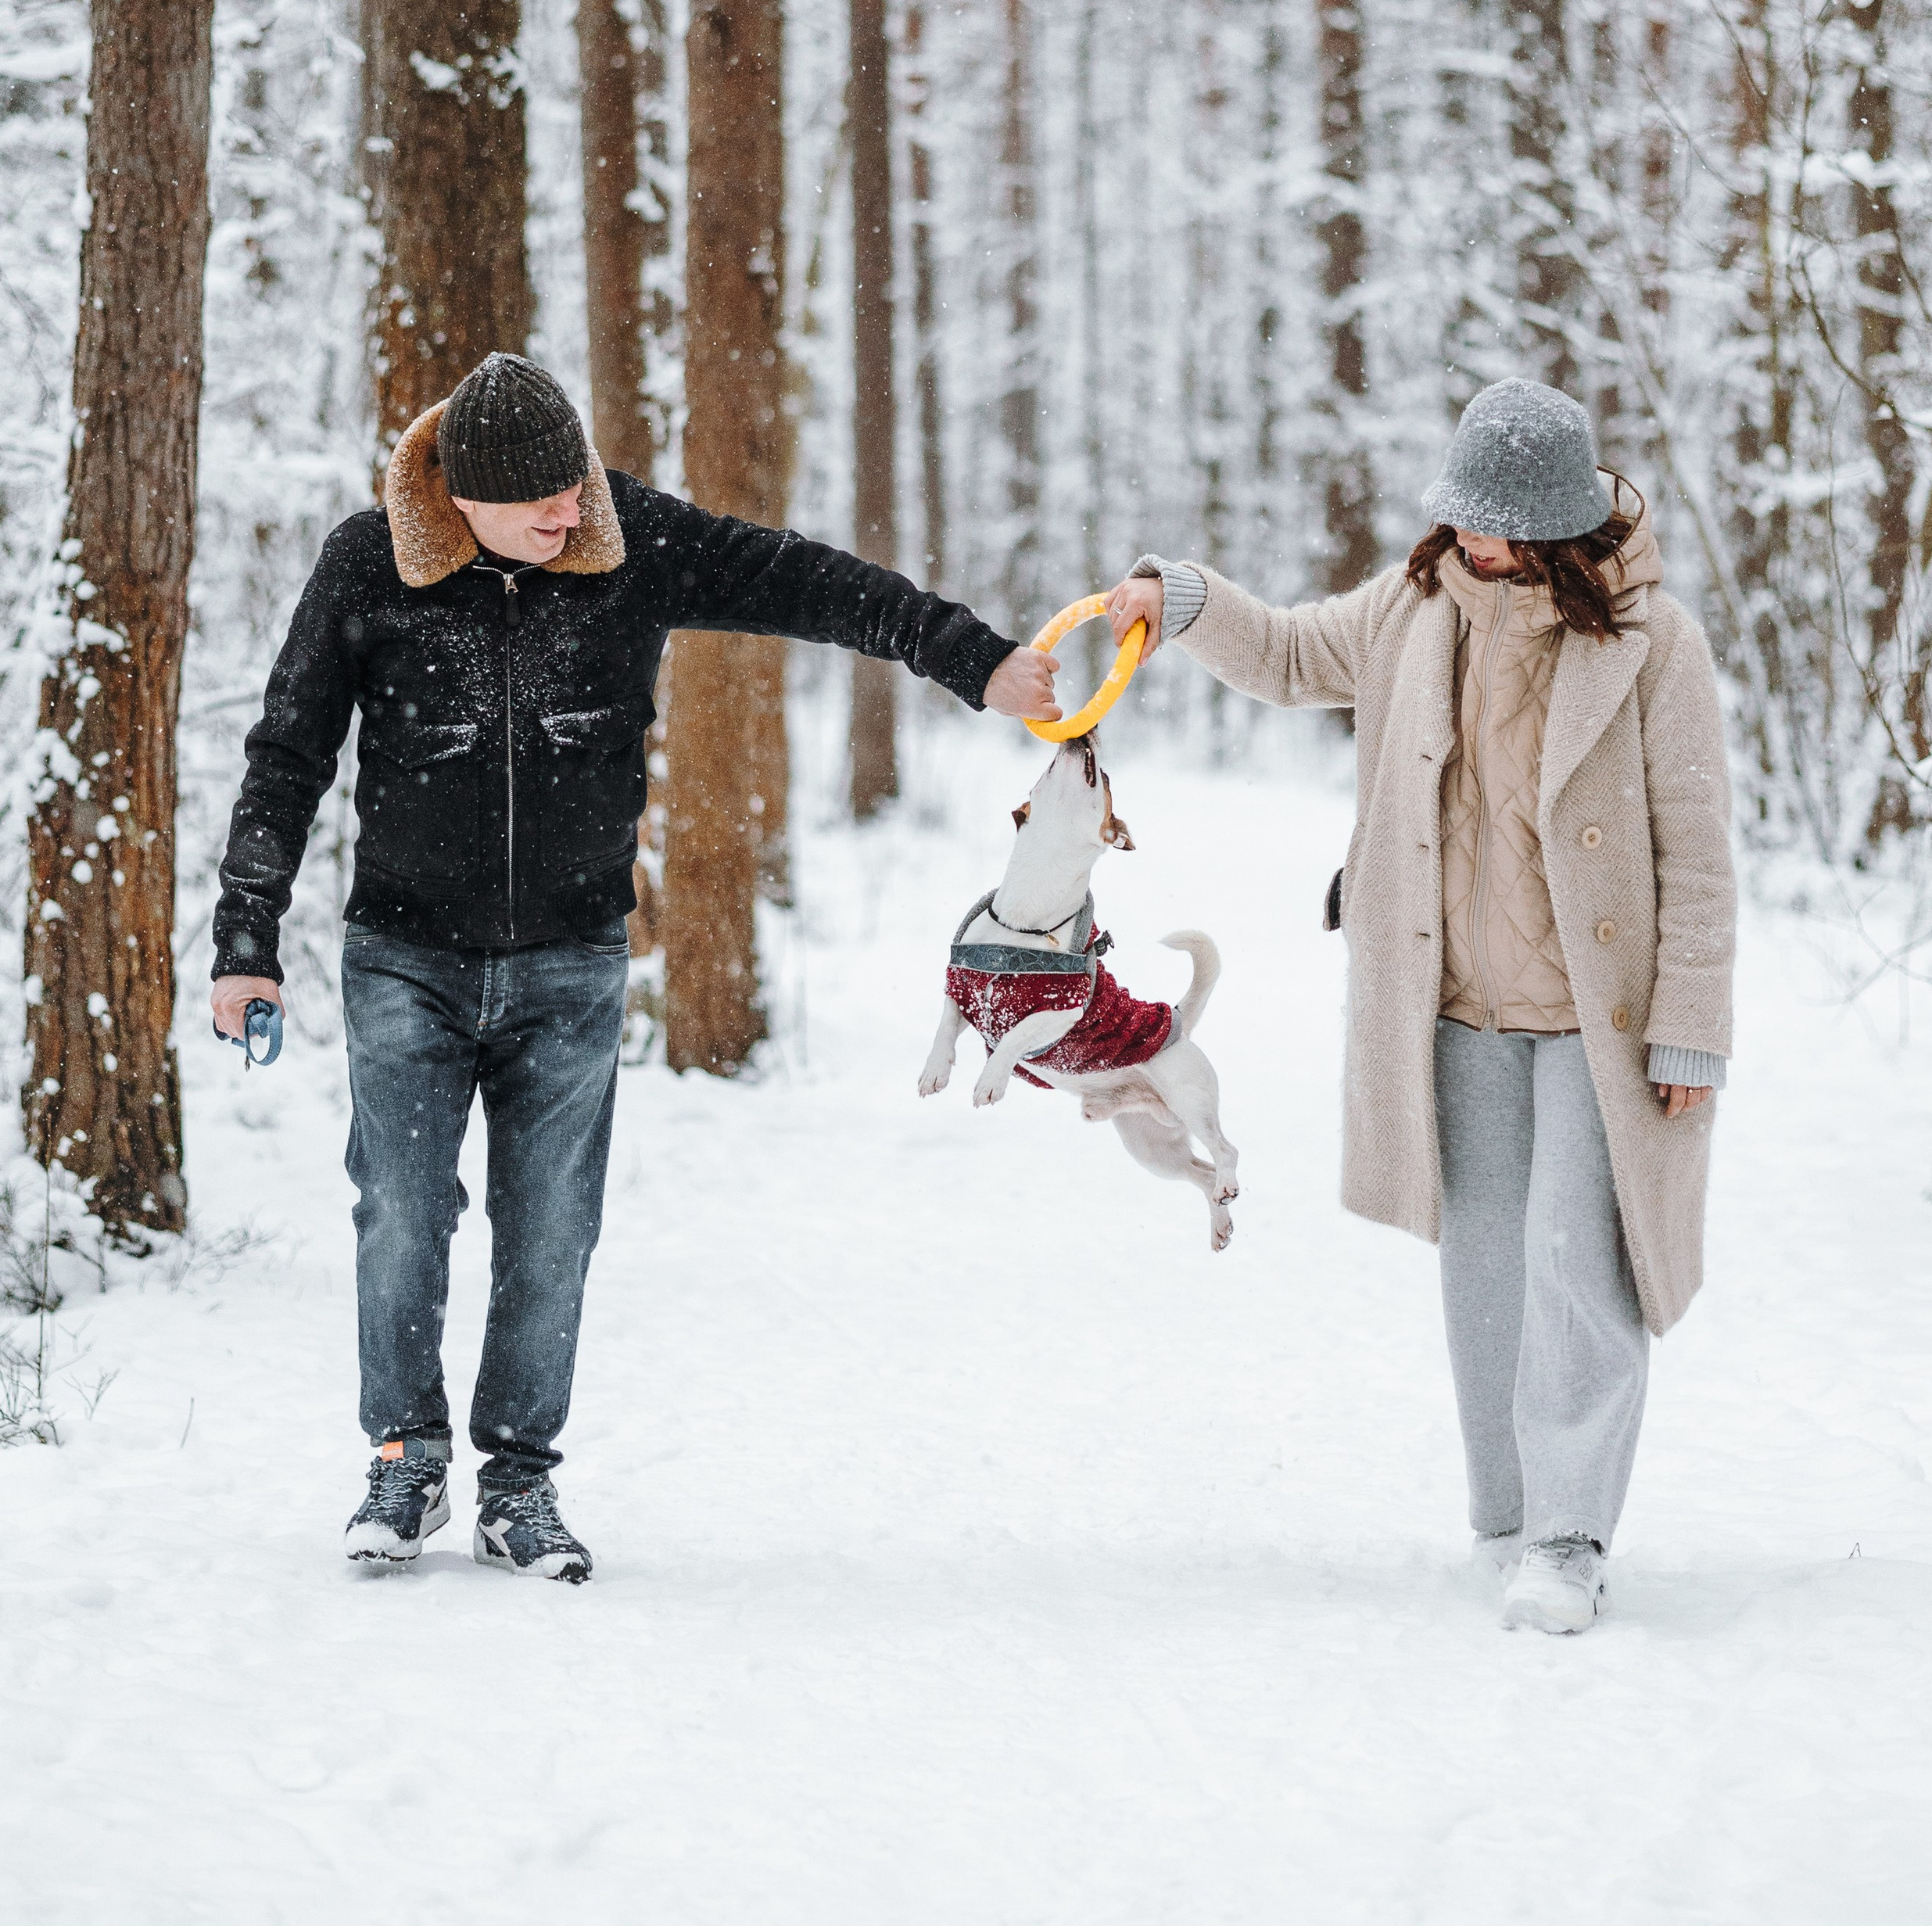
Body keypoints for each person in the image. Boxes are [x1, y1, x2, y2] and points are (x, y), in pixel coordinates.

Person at [210, 353, 1058, 1580]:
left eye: (578, 489)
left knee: (552, 1227)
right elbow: (288, 751)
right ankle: (405, 1458)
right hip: (405, 957)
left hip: (572, 961)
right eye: (544, 501)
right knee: (402, 1210)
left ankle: (518, 1481)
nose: (574, 513)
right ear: (464, 498)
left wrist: (969, 659)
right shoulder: (369, 562)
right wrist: (247, 940)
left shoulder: (625, 538)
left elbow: (809, 581)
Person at [1105, 377, 1735, 1635]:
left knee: (1582, 1266)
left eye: (1500, 523)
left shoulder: (1653, 644)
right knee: (1490, 1268)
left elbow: (1700, 851)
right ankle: (1507, 1518)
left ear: (1561, 523)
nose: (1475, 541)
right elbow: (1286, 654)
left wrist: (1692, 1026)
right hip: (1451, 1007)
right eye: (1464, 516)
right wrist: (1182, 598)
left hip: (1595, 1018)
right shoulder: (1412, 610)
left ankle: (1568, 1535)